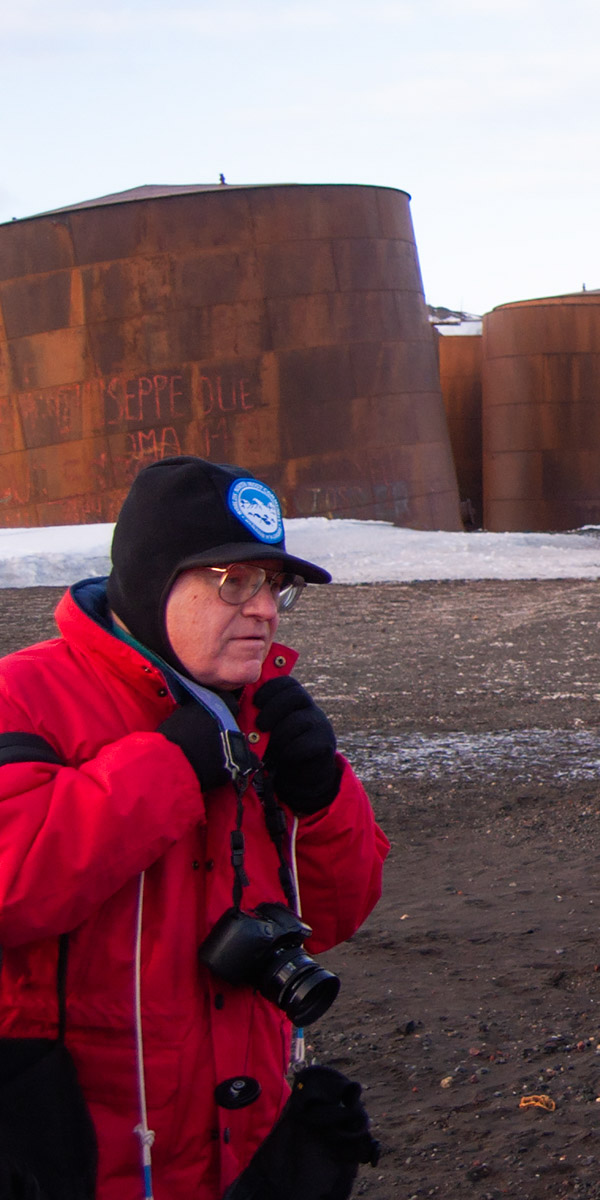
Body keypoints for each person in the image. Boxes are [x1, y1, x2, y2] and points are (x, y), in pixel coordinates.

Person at [0, 456, 389, 1200]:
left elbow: (337, 913)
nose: (265, 609)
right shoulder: (24, 695)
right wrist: (171, 766)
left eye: (275, 584)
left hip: (239, 1137)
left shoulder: (261, 712)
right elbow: (11, 883)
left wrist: (322, 796)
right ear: (154, 581)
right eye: (234, 581)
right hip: (79, 1150)